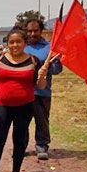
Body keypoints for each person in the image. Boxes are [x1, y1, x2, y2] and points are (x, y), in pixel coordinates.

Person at [0, 29, 53, 172]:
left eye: (18, 42)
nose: (14, 45)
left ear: (24, 43)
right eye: (11, 42)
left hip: (25, 107)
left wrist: (42, 75)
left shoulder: (34, 61)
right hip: (2, 107)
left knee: (20, 140)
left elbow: (40, 86)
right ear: (7, 43)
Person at [24, 19, 63, 160]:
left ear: (41, 31)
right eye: (30, 31)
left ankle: (42, 146)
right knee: (22, 122)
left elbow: (58, 68)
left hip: (42, 92)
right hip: (23, 93)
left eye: (35, 31)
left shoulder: (50, 48)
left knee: (42, 121)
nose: (32, 34)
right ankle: (21, 147)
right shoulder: (21, 46)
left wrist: (47, 67)